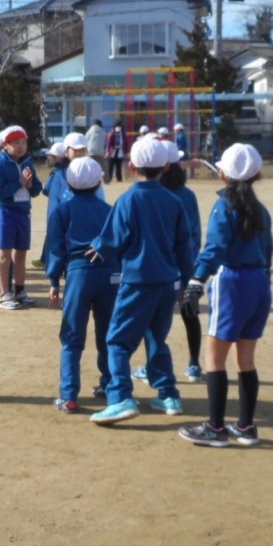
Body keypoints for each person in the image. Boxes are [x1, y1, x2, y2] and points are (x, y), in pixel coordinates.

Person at [85, 136, 194, 425]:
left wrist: (99, 247)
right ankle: (169, 395)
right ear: (166, 167)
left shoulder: (128, 199)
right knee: (157, 337)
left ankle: (121, 397)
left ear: (131, 167)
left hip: (137, 281)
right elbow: (185, 247)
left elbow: (113, 239)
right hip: (167, 282)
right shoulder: (174, 201)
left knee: (117, 341)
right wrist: (185, 282)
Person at [179, 143, 273, 447]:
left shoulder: (224, 206)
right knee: (246, 359)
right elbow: (268, 251)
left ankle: (215, 428)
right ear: (257, 175)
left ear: (223, 174)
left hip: (232, 282)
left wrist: (196, 280)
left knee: (214, 357)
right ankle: (245, 427)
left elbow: (215, 249)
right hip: (260, 282)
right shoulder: (261, 210)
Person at [47, 157, 119, 413]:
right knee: (108, 334)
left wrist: (54, 281)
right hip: (110, 274)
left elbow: (55, 248)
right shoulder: (110, 210)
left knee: (72, 337)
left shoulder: (62, 211)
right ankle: (111, 387)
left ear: (68, 183)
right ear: (99, 182)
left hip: (79, 275)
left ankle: (69, 396)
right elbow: (121, 243)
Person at [133, 141, 204, 384]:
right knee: (190, 314)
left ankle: (151, 367)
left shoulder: (150, 195)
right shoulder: (187, 195)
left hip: (158, 265)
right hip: (185, 262)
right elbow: (195, 234)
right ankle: (194, 365)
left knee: (152, 321)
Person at [0, 125, 43, 310]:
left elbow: (37, 189)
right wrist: (19, 183)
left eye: (24, 142)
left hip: (24, 213)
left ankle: (19, 292)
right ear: (6, 145)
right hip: (6, 213)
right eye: (16, 143)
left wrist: (30, 186)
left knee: (21, 254)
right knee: (4, 255)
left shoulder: (28, 164)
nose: (21, 146)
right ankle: (4, 295)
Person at [35, 141, 68, 269]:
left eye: (53, 156)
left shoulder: (56, 173)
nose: (51, 159)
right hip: (69, 211)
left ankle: (48, 261)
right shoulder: (73, 170)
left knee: (53, 235)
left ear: (59, 157)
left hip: (56, 211)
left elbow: (46, 190)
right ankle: (45, 258)